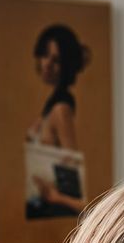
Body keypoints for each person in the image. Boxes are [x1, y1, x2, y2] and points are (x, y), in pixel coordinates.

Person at [25, 24, 89, 219]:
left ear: (66, 66)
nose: (47, 64)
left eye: (56, 60)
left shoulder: (60, 110)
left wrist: (55, 197)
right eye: (45, 55)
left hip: (51, 208)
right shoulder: (48, 110)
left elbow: (75, 181)